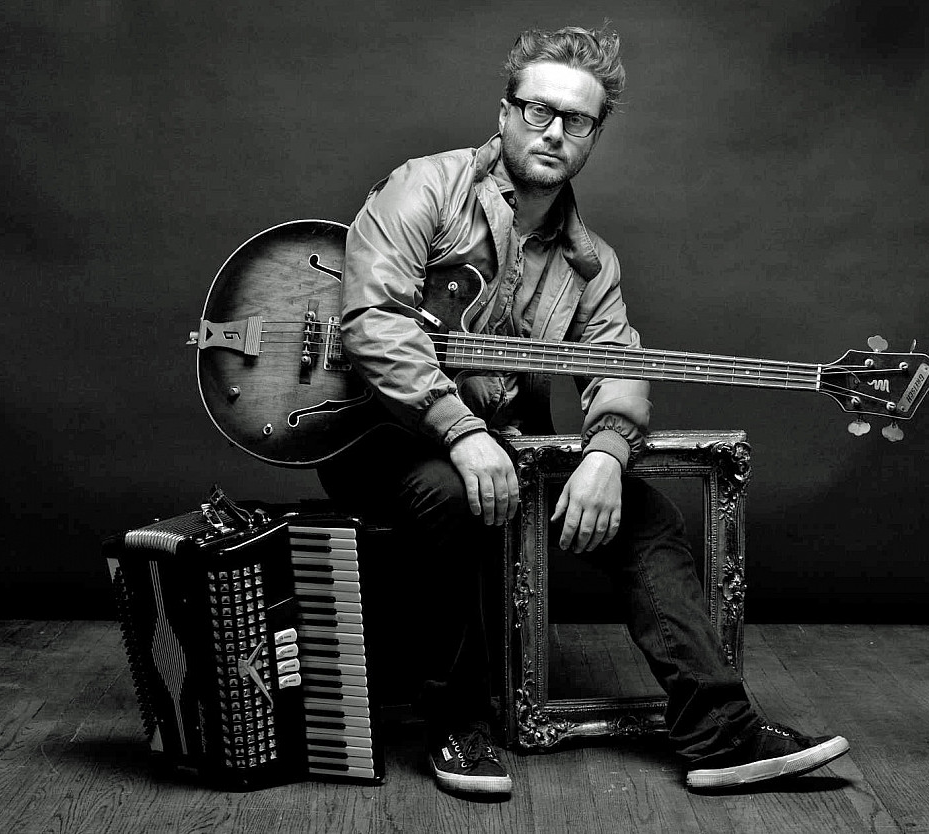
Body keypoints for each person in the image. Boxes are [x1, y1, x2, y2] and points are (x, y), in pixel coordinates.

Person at [316, 24, 850, 796]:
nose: (554, 132)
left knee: (648, 519)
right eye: (538, 110)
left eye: (577, 120)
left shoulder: (590, 264)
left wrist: (606, 451)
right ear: (506, 112)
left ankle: (720, 735)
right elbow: (373, 322)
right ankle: (456, 721)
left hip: (505, 447)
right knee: (455, 497)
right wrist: (460, 431)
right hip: (379, 437)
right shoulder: (423, 188)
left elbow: (619, 367)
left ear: (594, 136)